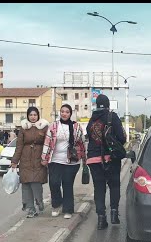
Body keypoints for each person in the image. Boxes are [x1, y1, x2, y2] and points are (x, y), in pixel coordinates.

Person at [86, 94, 126, 230]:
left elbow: (90, 138)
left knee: (99, 188)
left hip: (93, 159)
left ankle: (101, 219)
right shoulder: (112, 117)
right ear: (108, 104)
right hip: (111, 158)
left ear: (96, 104)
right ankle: (114, 213)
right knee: (114, 185)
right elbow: (121, 138)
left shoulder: (91, 120)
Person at [41, 104, 86, 219]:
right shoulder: (53, 126)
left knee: (67, 185)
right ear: (59, 113)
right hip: (55, 160)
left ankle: (68, 209)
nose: (64, 114)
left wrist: (84, 158)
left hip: (71, 162)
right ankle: (56, 205)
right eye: (62, 111)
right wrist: (44, 158)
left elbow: (82, 143)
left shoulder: (76, 127)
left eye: (67, 112)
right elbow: (47, 143)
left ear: (70, 114)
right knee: (54, 183)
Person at [10, 107, 49, 218]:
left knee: (36, 183)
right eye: (31, 115)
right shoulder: (23, 128)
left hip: (39, 159)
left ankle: (39, 202)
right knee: (26, 185)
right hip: (25, 160)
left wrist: (46, 158)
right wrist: (14, 161)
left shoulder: (44, 127)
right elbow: (19, 146)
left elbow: (48, 143)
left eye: (35, 115)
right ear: (28, 116)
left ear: (38, 116)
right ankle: (30, 209)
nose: (33, 117)